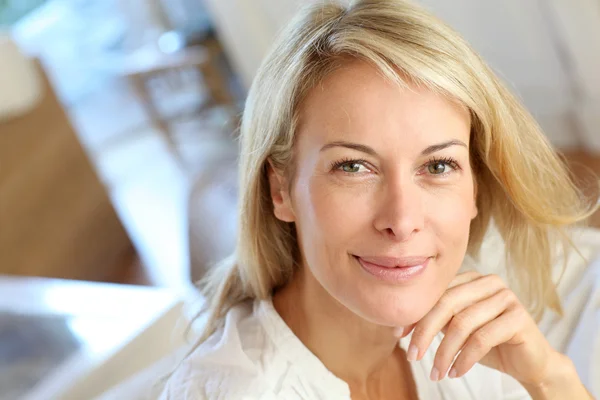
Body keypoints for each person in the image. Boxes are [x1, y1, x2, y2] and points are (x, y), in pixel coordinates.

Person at [158, 0, 599, 398]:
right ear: (280, 190)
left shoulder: (472, 333)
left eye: (438, 166)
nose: (402, 220)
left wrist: (549, 378)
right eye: (353, 167)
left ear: (475, 190)